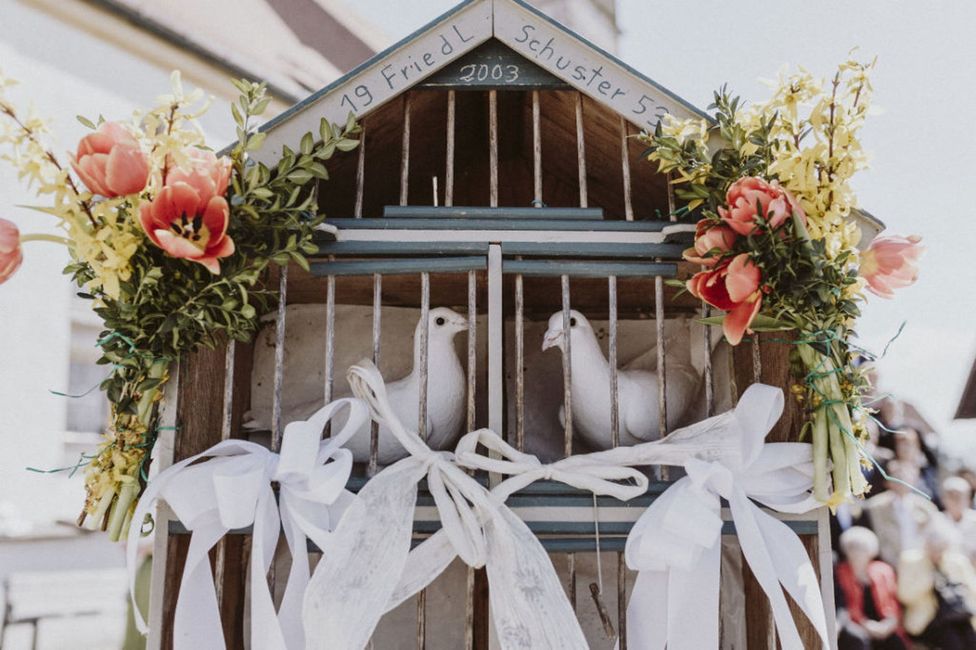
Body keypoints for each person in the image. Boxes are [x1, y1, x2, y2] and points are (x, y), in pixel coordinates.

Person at [898, 518, 976, 649]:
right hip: (928, 620)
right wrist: (930, 577)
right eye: (933, 548)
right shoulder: (910, 561)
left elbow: (972, 590)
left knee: (971, 640)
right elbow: (904, 595)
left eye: (940, 548)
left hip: (959, 615)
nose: (937, 552)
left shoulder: (956, 562)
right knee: (953, 642)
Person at [835, 527, 909, 650]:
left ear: (870, 550)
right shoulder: (841, 572)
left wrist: (888, 625)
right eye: (852, 548)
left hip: (883, 624)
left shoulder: (883, 570)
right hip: (859, 624)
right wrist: (866, 625)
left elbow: (893, 601)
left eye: (861, 548)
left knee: (896, 643)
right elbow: (846, 605)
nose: (857, 552)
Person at [862, 460, 939, 566]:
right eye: (897, 478)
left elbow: (931, 537)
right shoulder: (876, 507)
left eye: (905, 478)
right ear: (888, 481)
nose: (901, 482)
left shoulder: (926, 507)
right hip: (889, 565)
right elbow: (881, 540)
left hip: (920, 564)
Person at [941, 476, 976, 564]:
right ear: (944, 499)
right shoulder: (935, 521)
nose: (955, 500)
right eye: (951, 496)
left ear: (968, 499)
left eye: (959, 496)